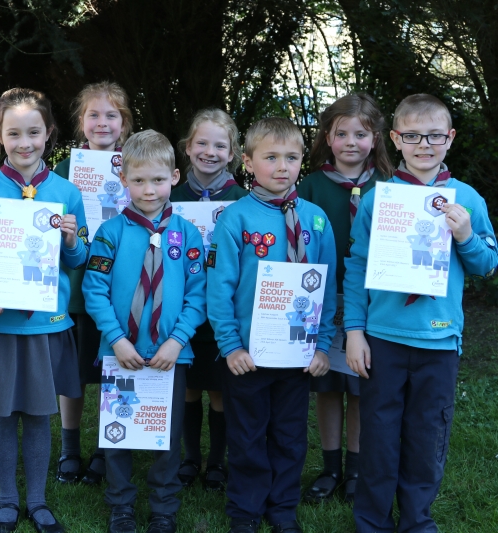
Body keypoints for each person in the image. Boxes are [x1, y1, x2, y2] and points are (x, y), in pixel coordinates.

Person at [344, 94, 497, 532]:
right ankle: (372, 522)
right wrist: (354, 331)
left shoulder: (467, 198)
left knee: (427, 436)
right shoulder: (379, 198)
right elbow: (357, 267)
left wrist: (466, 234)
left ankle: (416, 521)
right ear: (395, 139)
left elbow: (488, 264)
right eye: (412, 135)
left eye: (434, 135)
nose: (424, 144)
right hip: (384, 338)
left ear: (449, 138)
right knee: (379, 435)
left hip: (439, 339)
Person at [0, 88, 88, 533]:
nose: (25, 142)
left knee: (39, 413)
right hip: (0, 323)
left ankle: (38, 499)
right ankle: (7, 499)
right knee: (4, 413)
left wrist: (72, 241)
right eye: (14, 133)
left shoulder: (67, 193)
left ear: (49, 134)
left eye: (34, 132)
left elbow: (78, 259)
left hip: (45, 323)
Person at [207, 117, 336, 533]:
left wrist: (321, 345)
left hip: (298, 355)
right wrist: (230, 346)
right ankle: (245, 510)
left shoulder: (316, 220)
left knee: (289, 436)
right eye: (271, 157)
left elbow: (329, 287)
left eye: (292, 157)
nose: (283, 166)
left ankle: (282, 509)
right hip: (248, 355)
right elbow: (219, 289)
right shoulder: (236, 219)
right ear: (247, 161)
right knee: (246, 436)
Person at [83, 130, 207, 533]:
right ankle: (120, 505)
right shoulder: (110, 233)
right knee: (118, 432)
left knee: (165, 436)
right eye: (138, 180)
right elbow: (94, 290)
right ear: (124, 180)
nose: (148, 189)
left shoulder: (187, 235)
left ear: (174, 176)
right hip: (120, 353)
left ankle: (164, 507)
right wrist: (117, 340)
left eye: (157, 179)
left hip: (170, 355)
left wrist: (176, 341)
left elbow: (198, 295)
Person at [298, 93, 393, 504]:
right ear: (327, 137)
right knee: (328, 384)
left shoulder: (390, 188)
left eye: (361, 133)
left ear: (377, 137)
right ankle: (330, 466)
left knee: (359, 383)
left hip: (371, 300)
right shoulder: (312, 184)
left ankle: (356, 469)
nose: (351, 141)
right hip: (321, 297)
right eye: (342, 134)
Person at [53, 81, 133, 486]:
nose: (102, 122)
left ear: (124, 122)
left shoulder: (136, 164)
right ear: (81, 122)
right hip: (74, 286)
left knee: (109, 372)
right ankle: (70, 448)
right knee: (73, 373)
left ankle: (107, 447)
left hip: (119, 287)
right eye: (94, 115)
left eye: (111, 115)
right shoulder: (65, 170)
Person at [171, 108, 248, 491]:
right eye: (202, 142)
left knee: (218, 386)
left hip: (223, 306)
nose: (210, 151)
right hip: (181, 305)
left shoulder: (242, 200)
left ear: (232, 153)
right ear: (188, 147)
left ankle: (216, 460)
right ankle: (189, 457)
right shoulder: (169, 194)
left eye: (220, 145)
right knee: (186, 382)